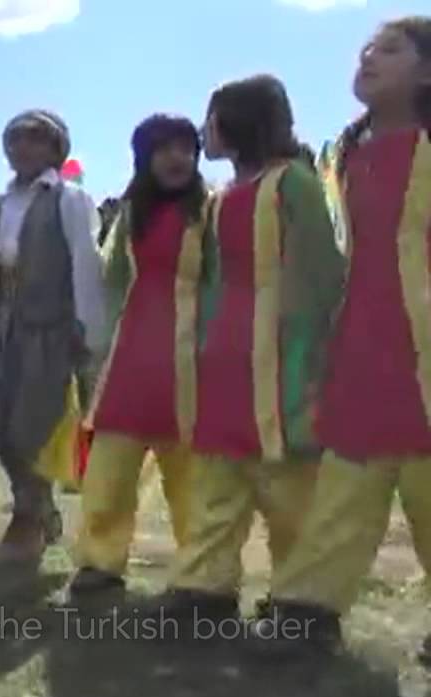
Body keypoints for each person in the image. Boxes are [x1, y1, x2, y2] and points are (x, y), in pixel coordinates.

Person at [250, 16, 431, 657]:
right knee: (343, 488)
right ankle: (307, 611)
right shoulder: (339, 159)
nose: (368, 55)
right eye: (366, 47)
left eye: (389, 48)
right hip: (359, 345)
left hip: (423, 351)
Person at [160, 74, 346, 626]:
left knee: (290, 492)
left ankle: (305, 601)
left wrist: (311, 360)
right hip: (225, 361)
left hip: (284, 362)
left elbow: (322, 273)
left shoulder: (295, 184)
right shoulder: (221, 200)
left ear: (239, 121)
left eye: (212, 116)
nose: (204, 129)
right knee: (219, 480)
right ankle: (205, 589)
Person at [69, 114, 211, 597]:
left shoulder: (211, 212)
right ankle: (99, 562)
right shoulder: (132, 216)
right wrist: (94, 344)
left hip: (192, 361)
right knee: (110, 468)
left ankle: (202, 575)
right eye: (164, 149)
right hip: (130, 358)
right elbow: (110, 285)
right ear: (144, 158)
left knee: (191, 478)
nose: (177, 158)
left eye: (186, 148)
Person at [0, 110, 109, 562]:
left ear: (55, 149)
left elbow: (84, 263)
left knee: (34, 423)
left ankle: (27, 522)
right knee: (1, 425)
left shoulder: (68, 200)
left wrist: (87, 329)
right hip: (3, 323)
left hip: (48, 325)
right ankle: (36, 510)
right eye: (15, 141)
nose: (22, 150)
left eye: (34, 141)